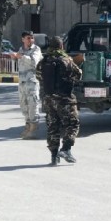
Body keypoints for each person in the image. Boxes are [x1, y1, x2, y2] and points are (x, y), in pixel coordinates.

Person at [36, 36, 82, 166]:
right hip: (64, 99)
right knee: (72, 124)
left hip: (48, 99)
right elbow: (78, 75)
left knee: (53, 126)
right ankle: (66, 149)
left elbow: (38, 76)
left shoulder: (43, 61)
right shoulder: (66, 60)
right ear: (61, 46)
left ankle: (54, 156)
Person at [10, 31, 42, 139]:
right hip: (22, 83)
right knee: (24, 106)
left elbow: (34, 62)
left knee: (33, 105)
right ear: (22, 39)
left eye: (32, 38)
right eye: (28, 38)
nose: (30, 40)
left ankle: (33, 129)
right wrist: (15, 57)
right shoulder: (21, 50)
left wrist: (20, 56)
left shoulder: (36, 49)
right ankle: (28, 127)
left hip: (32, 82)